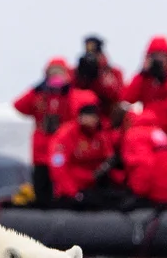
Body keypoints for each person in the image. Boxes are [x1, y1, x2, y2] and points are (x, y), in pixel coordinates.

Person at [13, 57, 75, 205]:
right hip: (41, 148)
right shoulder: (39, 95)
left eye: (59, 72)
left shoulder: (70, 95)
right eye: (52, 72)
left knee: (60, 181)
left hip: (62, 149)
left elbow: (80, 111)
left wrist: (69, 88)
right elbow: (19, 105)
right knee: (41, 182)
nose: (55, 76)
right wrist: (36, 88)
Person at [48, 92, 116, 204]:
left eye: (94, 116)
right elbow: (58, 167)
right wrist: (73, 193)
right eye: (89, 115)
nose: (93, 119)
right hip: (71, 190)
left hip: (92, 186)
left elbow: (108, 158)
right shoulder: (65, 135)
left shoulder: (99, 135)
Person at [120, 109, 167, 205]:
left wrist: (138, 193)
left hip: (153, 195)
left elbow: (144, 164)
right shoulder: (159, 132)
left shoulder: (134, 135)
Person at [122, 36, 167, 126]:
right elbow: (127, 98)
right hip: (148, 122)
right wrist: (142, 74)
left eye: (161, 56)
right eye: (154, 56)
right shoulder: (144, 78)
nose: (158, 60)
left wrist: (164, 80)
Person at [73, 34, 125, 112]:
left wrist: (100, 76)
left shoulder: (114, 72)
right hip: (84, 114)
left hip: (106, 114)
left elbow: (118, 96)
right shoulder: (77, 71)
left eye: (94, 54)